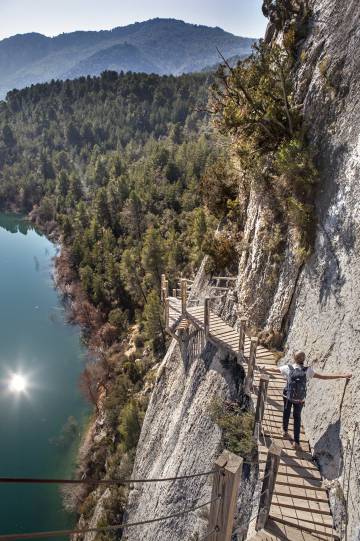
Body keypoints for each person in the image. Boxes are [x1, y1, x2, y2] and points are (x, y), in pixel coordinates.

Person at [279, 351, 352, 451]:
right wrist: (342, 376)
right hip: (299, 399)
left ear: (294, 358)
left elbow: (275, 370)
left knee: (286, 411)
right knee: (297, 418)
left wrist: (263, 369)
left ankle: (285, 431)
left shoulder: (288, 368)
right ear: (303, 359)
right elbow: (324, 376)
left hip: (288, 396)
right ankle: (296, 442)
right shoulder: (307, 371)